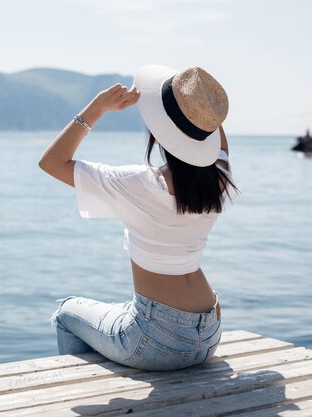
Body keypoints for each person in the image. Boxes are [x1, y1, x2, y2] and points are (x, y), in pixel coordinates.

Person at [38, 65, 239, 371]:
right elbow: (215, 138)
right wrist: (200, 103)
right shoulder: (220, 179)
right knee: (117, 310)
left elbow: (51, 162)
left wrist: (96, 108)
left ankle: (79, 391)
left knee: (67, 312)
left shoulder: (137, 184)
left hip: (154, 340)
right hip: (209, 332)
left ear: (159, 136)